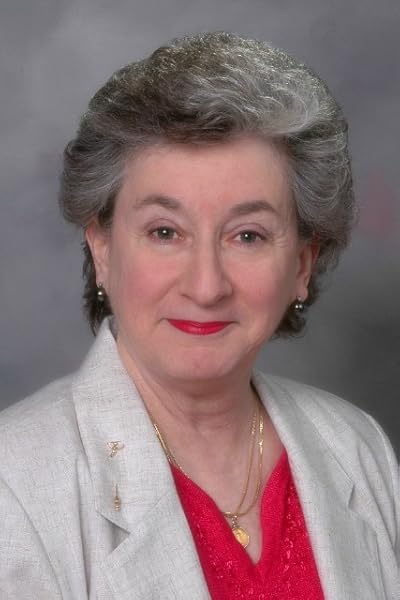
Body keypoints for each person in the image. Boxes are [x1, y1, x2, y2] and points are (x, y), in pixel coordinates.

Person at [0, 31, 398, 600]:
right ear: (103, 249)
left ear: (302, 265)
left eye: (247, 235)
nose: (206, 286)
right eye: (165, 232)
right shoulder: (14, 486)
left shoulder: (357, 446)